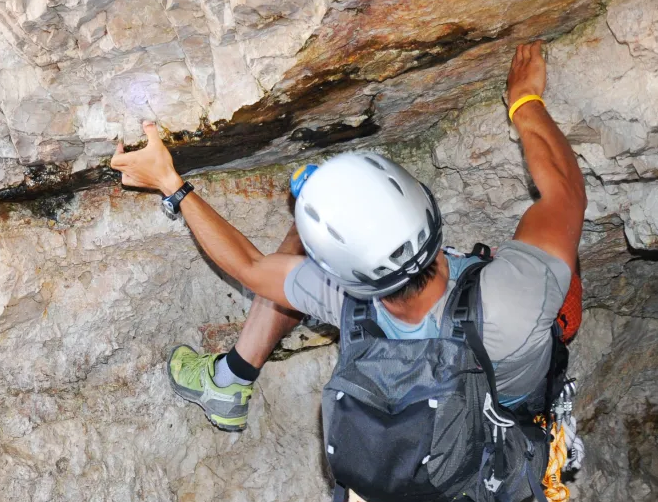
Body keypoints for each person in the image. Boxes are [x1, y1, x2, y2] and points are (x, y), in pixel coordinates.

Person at [110, 42, 586, 432]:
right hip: (497, 419)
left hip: (431, 424)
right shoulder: (516, 297)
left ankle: (231, 378)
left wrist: (170, 182)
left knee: (314, 227)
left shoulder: (345, 302)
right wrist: (525, 100)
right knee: (558, 271)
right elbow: (565, 192)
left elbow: (249, 267)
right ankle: (231, 377)